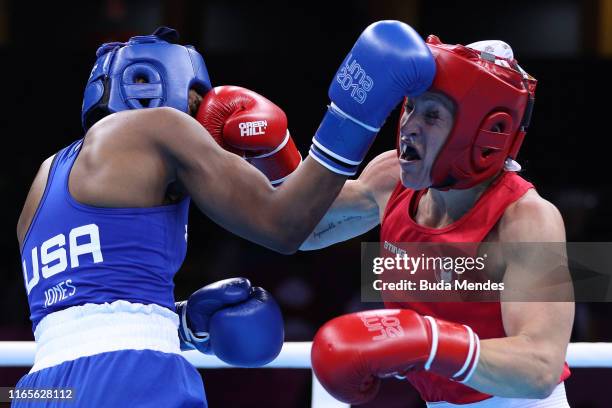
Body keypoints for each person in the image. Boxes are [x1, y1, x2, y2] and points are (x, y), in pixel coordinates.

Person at [15, 22, 436, 407]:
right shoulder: (159, 126)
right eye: (198, 102)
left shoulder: (44, 180)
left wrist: (181, 323)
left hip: (43, 388)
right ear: (159, 87)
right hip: (132, 379)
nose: (203, 121)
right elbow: (284, 225)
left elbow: (86, 309)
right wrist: (356, 108)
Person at [306, 36, 574, 407]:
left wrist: (429, 341)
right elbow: (302, 229)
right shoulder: (390, 178)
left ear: (481, 129)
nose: (408, 127)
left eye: (432, 115)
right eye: (410, 107)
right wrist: (267, 154)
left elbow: (541, 368)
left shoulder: (527, 220)